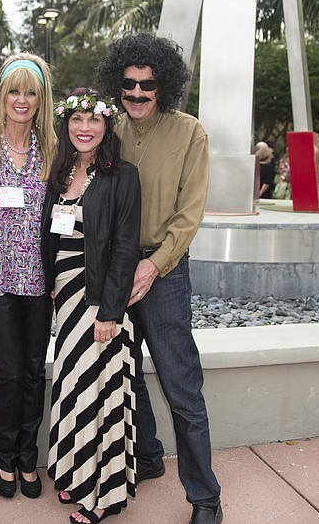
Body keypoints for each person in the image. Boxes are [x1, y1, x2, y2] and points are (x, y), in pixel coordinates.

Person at [97, 33, 223, 524]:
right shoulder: (107, 129)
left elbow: (189, 215)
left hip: (163, 271)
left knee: (181, 385)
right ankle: (147, 455)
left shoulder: (190, 133)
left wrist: (153, 266)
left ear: (162, 85)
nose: (137, 93)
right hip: (115, 270)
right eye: (128, 84)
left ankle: (205, 497)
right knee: (124, 371)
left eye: (147, 85)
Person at [41, 88, 140, 524]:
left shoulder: (122, 176)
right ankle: (75, 474)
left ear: (106, 125)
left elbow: (125, 249)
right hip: (65, 299)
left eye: (93, 120)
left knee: (101, 392)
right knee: (72, 385)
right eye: (77, 120)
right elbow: (52, 234)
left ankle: (104, 496)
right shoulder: (60, 171)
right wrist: (51, 283)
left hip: (97, 299)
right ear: (66, 125)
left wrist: (109, 312)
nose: (84, 128)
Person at [0, 53, 56, 499]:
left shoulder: (54, 152)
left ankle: (27, 457)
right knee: (9, 372)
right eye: (14, 91)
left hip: (40, 280)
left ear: (41, 100)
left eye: (31, 92)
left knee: (34, 371)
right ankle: (4, 460)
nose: (22, 100)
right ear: (1, 95)